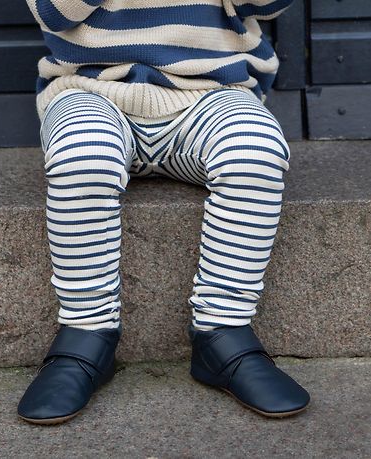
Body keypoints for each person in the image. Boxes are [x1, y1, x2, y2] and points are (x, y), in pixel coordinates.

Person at [17, 0, 310, 424]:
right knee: (82, 158)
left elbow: (265, 6)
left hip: (213, 92)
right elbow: (55, 13)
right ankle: (86, 333)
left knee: (255, 152)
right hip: (92, 91)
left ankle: (222, 332)